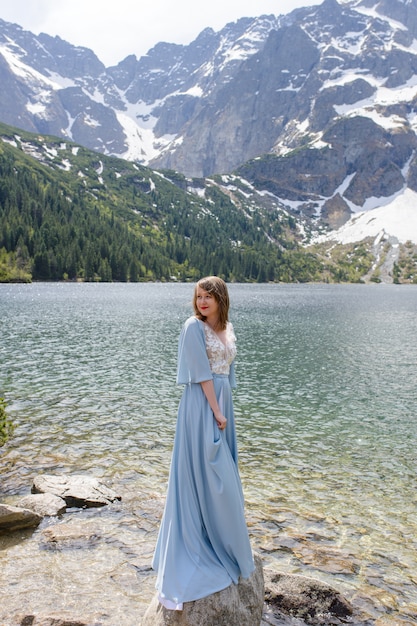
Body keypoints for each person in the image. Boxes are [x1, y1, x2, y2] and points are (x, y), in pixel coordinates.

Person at [152, 276, 255, 610]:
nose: (202, 302)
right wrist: (216, 412)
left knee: (224, 475)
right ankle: (199, 548)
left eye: (208, 296)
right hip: (203, 406)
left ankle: (224, 543)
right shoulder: (192, 327)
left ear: (221, 298)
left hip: (223, 405)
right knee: (213, 475)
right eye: (198, 296)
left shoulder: (227, 328)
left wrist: (226, 412)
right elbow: (201, 374)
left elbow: (227, 372)